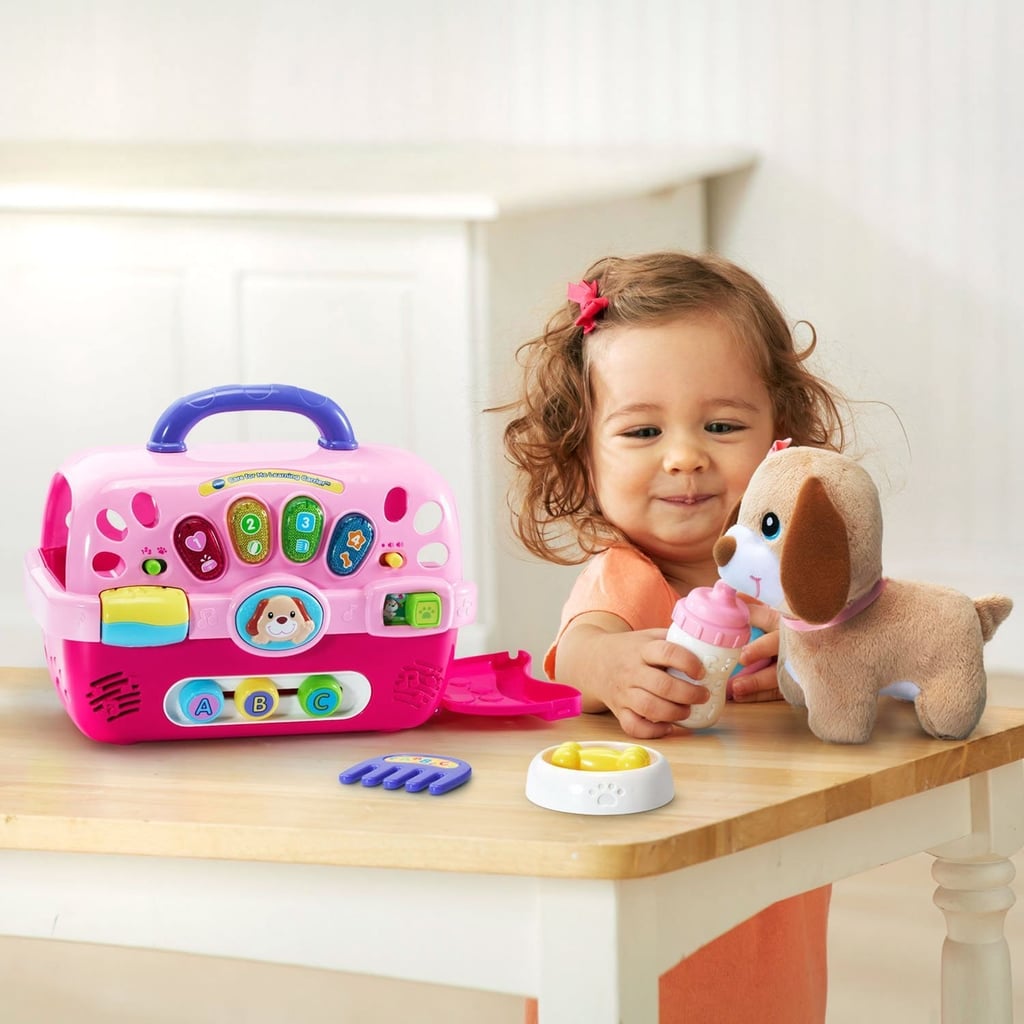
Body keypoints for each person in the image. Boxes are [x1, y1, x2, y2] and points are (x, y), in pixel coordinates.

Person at [500, 251, 848, 1023]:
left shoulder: (796, 582)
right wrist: (616, 668)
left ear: (779, 438)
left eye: (722, 425)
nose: (685, 455)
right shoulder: (623, 577)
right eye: (643, 429)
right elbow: (576, 655)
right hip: (628, 924)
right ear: (583, 451)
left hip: (768, 901)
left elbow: (865, 658)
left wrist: (805, 655)